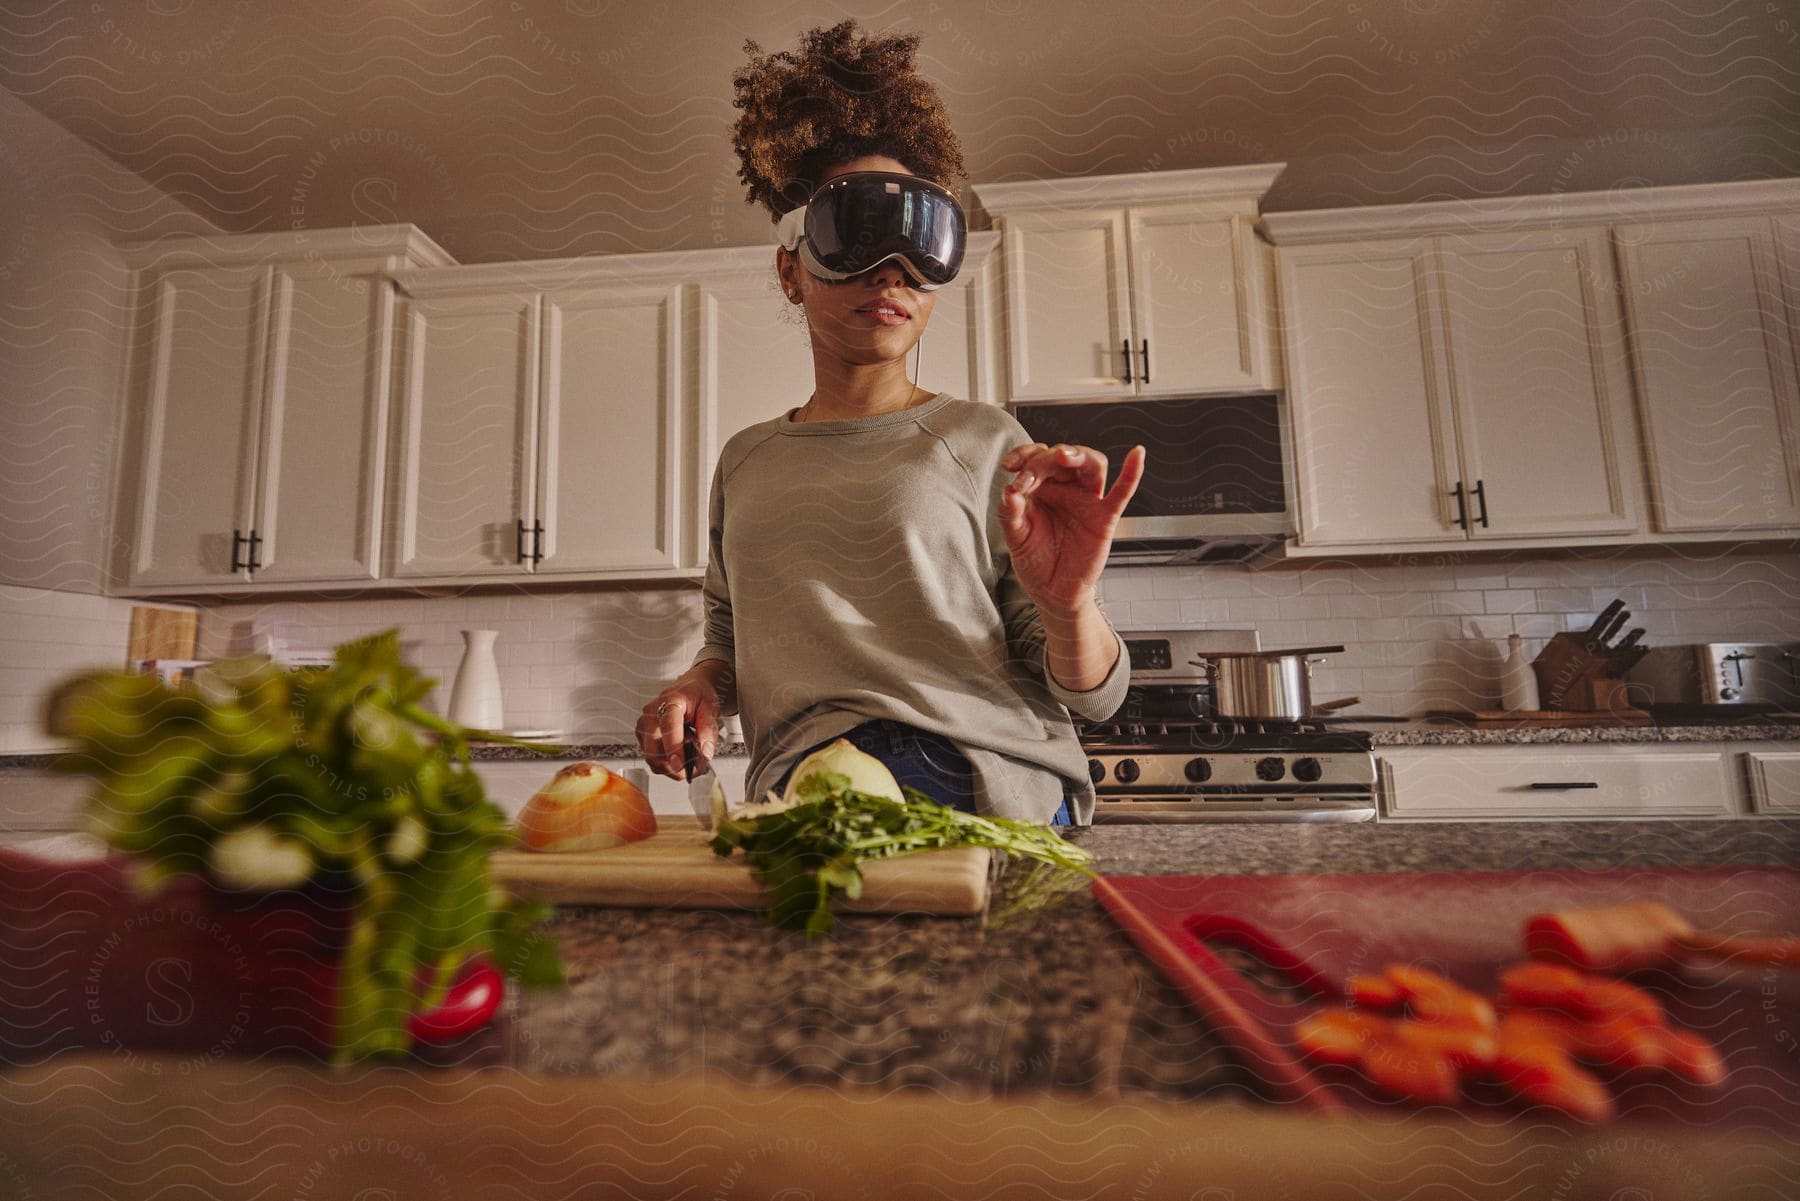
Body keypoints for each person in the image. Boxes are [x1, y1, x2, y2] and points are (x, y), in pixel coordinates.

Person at [635, 20, 1145, 825]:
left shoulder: (986, 442)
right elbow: (729, 640)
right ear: (791, 269)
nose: (892, 275)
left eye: (920, 247)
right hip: (803, 793)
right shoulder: (746, 460)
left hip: (981, 779)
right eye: (856, 235)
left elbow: (1096, 696)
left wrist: (1070, 605)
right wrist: (699, 684)